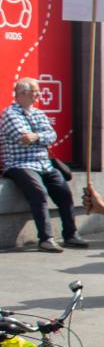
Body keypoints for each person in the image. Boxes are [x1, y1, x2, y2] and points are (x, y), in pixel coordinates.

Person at [2, 78, 86, 252]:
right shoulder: (9, 114)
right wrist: (39, 136)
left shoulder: (38, 113)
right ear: (23, 93)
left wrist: (36, 136)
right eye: (35, 92)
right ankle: (46, 239)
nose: (38, 95)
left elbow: (52, 135)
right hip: (19, 164)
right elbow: (23, 138)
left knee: (64, 193)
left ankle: (70, 235)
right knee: (39, 193)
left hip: (44, 164)